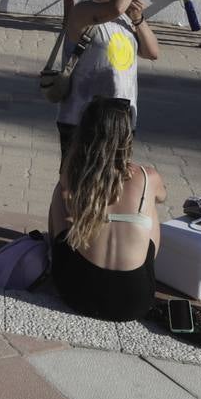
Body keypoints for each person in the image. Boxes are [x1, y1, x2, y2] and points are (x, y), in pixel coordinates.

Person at [49, 96, 167, 322]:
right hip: (135, 301)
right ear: (126, 136)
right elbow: (163, 196)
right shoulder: (146, 176)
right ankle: (140, 265)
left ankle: (54, 254)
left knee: (60, 192)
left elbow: (70, 193)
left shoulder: (72, 172)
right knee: (148, 203)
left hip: (76, 293)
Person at [57, 0, 159, 164]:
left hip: (121, 117)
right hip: (83, 117)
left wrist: (138, 19)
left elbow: (152, 52)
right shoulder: (83, 10)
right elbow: (114, 8)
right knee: (76, 185)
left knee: (112, 186)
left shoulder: (124, 18)